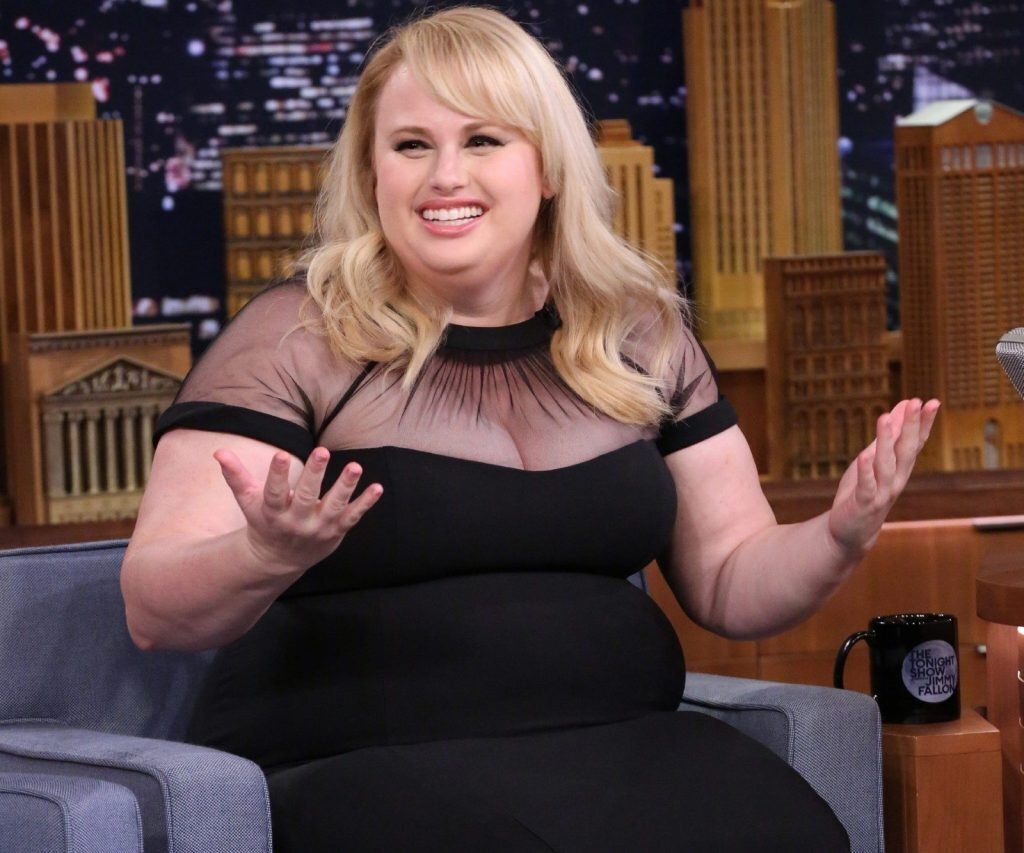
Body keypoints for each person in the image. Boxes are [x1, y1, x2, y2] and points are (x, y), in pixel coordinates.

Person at [121, 7, 938, 851]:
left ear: (547, 166)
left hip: (620, 744)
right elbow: (153, 608)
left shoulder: (634, 336)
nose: (445, 175)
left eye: (482, 140)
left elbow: (732, 578)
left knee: (790, 833)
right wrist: (263, 554)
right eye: (411, 145)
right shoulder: (300, 337)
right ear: (371, 172)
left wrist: (837, 536)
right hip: (360, 760)